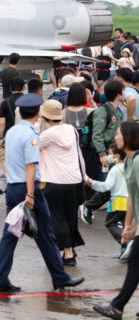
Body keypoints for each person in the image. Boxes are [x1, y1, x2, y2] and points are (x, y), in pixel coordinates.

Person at [0, 93, 84, 293]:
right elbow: (31, 167)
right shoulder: (31, 136)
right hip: (28, 189)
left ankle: (0, 279)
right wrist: (31, 195)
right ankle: (59, 277)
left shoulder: (12, 132)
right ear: (37, 114)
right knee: (45, 235)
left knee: (10, 235)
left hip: (13, 188)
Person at [93, 122, 139, 320]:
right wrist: (128, 225)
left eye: (118, 134)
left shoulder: (137, 162)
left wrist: (135, 225)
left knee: (135, 262)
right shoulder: (128, 162)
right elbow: (132, 196)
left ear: (128, 137)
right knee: (135, 263)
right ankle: (117, 307)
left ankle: (117, 307)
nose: (116, 138)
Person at [38, 99, 86, 266]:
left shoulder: (46, 135)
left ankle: (68, 253)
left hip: (55, 180)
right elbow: (78, 154)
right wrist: (84, 175)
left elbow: (32, 145)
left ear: (44, 117)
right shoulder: (72, 130)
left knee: (56, 217)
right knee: (70, 217)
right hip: (74, 179)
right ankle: (71, 248)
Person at [82, 81, 126, 225]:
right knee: (111, 184)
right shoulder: (103, 111)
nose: (125, 93)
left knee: (114, 184)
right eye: (123, 91)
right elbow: (97, 134)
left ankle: (115, 215)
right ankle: (89, 206)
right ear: (118, 94)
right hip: (104, 152)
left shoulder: (118, 111)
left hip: (115, 151)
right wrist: (102, 154)